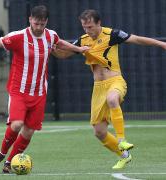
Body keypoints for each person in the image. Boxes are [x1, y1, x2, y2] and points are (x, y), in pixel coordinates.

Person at [52, 9, 166, 169]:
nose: (87, 30)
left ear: (99, 23)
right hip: (98, 88)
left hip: (115, 81)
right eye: (84, 27)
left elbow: (138, 40)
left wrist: (161, 43)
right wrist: (50, 49)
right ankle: (124, 155)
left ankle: (122, 140)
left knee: (112, 99)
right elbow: (63, 55)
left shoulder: (112, 34)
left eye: (90, 27)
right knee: (99, 132)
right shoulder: (83, 40)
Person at [0, 5, 89, 173]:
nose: (39, 27)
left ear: (46, 22)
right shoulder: (18, 36)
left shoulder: (51, 35)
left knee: (29, 132)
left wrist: (78, 49)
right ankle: (1, 154)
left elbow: (60, 42)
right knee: (17, 124)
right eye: (36, 24)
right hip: (18, 90)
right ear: (30, 20)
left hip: (39, 92)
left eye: (42, 24)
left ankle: (9, 163)